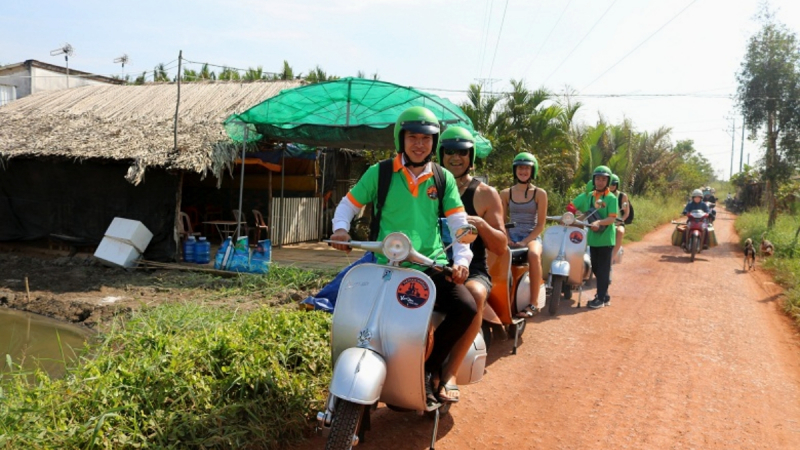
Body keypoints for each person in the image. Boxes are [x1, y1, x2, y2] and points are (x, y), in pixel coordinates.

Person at [330, 106, 475, 405]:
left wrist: (461, 261)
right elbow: (347, 205)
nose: (419, 144)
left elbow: (461, 225)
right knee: (359, 323)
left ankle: (427, 369)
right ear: (401, 139)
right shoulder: (379, 173)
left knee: (467, 308)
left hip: (428, 266)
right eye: (413, 137)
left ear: (434, 142)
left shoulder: (442, 178)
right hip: (385, 266)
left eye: (426, 138)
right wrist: (341, 230)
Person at [437, 126, 506, 401]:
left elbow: (501, 245)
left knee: (475, 294)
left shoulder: (485, 194)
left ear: (471, 155)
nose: (456, 157)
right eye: (450, 151)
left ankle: (449, 373)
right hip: (432, 263)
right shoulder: (428, 187)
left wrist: (480, 224)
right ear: (441, 154)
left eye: (462, 152)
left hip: (472, 268)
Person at [499, 152, 548, 317]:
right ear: (515, 170)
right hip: (511, 236)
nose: (523, 171)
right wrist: (507, 238)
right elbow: (501, 221)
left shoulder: (540, 194)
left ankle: (533, 304)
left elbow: (540, 225)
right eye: (520, 168)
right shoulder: (506, 193)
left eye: (527, 168)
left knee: (534, 254)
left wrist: (525, 241)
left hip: (531, 236)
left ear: (532, 171)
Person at [571, 165, 618, 309]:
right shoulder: (590, 197)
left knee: (603, 269)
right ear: (594, 180)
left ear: (608, 181)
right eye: (598, 179)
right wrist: (575, 216)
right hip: (593, 238)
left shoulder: (611, 198)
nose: (600, 182)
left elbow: (612, 219)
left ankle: (600, 299)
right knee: (596, 268)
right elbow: (580, 209)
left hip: (606, 238)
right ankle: (605, 295)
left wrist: (599, 222)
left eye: (604, 179)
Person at [608, 174, 629, 264]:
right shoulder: (603, 194)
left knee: (620, 232)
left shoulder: (622, 196)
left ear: (617, 185)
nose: (612, 186)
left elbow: (626, 212)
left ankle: (611, 257)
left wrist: (620, 221)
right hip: (605, 221)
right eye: (610, 184)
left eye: (614, 184)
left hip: (618, 222)